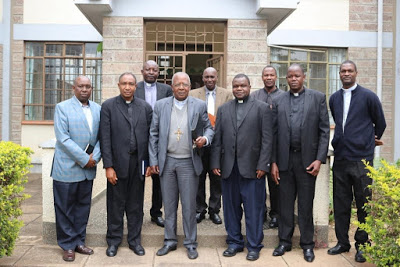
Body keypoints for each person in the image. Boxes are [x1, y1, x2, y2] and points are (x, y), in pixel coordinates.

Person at [149, 72, 214, 260]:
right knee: (169, 205)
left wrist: (205, 139)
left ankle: (191, 243)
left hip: (188, 161)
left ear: (190, 87)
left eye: (185, 85)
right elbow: (153, 134)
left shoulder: (199, 105)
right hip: (167, 162)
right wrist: (153, 161)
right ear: (172, 87)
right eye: (177, 85)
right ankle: (169, 240)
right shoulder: (161, 106)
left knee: (188, 205)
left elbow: (210, 128)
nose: (181, 88)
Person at [328, 60, 386, 263]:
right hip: (341, 159)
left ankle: (362, 245)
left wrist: (368, 142)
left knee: (363, 204)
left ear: (356, 73)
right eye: (343, 71)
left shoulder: (368, 96)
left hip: (362, 160)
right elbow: (338, 121)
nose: (346, 74)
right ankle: (342, 242)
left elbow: (381, 122)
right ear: (339, 73)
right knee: (341, 203)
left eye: (349, 71)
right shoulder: (334, 98)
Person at [271, 64, 330, 262]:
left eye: (297, 75)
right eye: (290, 76)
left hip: (307, 162)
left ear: (304, 76)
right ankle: (284, 242)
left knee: (305, 205)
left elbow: (324, 131)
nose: (293, 79)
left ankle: (307, 245)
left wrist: (319, 159)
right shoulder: (278, 100)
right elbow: (273, 134)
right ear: (286, 79)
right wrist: (274, 162)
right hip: (285, 160)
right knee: (284, 204)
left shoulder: (318, 98)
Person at [211, 74, 273, 261]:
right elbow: (218, 140)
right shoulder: (223, 109)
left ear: (249, 87)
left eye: (243, 86)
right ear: (232, 87)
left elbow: (267, 140)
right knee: (230, 209)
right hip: (229, 169)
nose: (239, 89)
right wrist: (215, 162)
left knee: (254, 210)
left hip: (253, 169)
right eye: (236, 86)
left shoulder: (262, 109)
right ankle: (234, 242)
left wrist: (264, 165)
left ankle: (254, 246)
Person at [100, 72, 152, 257]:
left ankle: (134, 241)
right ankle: (113, 241)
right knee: (115, 204)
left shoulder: (145, 107)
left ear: (136, 86)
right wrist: (108, 166)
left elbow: (149, 138)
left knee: (136, 205)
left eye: (131, 83)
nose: (128, 87)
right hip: (117, 164)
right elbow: (105, 138)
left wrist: (148, 164)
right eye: (124, 83)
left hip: (138, 163)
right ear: (118, 85)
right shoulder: (108, 106)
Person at [51, 76, 101, 262]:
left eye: (88, 86)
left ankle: (79, 242)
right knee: (64, 208)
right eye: (81, 86)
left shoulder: (98, 108)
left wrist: (94, 158)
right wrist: (84, 159)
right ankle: (67, 245)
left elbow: (101, 138)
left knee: (82, 207)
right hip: (66, 168)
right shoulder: (62, 108)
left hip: (88, 169)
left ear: (92, 88)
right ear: (74, 88)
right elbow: (63, 139)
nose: (85, 89)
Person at [189, 67, 232, 225]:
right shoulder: (193, 94)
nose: (209, 80)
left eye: (212, 77)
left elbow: (228, 117)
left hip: (217, 145)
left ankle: (214, 210)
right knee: (198, 179)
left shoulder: (226, 94)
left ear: (217, 77)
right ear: (202, 77)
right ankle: (200, 210)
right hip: (199, 144)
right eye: (206, 77)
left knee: (216, 179)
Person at [135, 60, 173, 228]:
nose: (151, 72)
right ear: (142, 71)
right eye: (148, 69)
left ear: (159, 73)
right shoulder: (134, 88)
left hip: (159, 141)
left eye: (154, 70)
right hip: (139, 142)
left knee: (158, 179)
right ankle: (136, 213)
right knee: (139, 178)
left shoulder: (166, 90)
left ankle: (156, 213)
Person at [251, 65, 284, 229]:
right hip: (258, 147)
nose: (269, 77)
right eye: (266, 75)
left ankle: (276, 215)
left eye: (272, 75)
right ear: (262, 77)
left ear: (276, 77)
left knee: (275, 183)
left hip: (277, 145)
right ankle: (260, 213)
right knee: (258, 183)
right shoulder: (255, 96)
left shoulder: (284, 97)